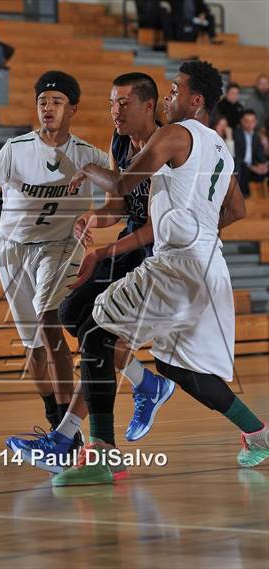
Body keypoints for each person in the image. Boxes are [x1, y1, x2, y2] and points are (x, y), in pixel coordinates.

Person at [51, 60, 268, 485]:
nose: (169, 97)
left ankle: (101, 456)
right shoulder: (221, 147)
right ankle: (258, 434)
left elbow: (119, 186)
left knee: (96, 332)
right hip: (210, 265)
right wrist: (200, 232)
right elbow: (237, 209)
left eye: (174, 90)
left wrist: (86, 170)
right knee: (179, 368)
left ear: (196, 100)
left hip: (178, 265)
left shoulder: (173, 134)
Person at [6, 73, 176, 476]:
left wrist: (102, 249)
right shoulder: (120, 143)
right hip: (128, 246)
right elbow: (119, 204)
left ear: (148, 106)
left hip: (158, 256)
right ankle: (144, 382)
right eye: (111, 103)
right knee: (71, 312)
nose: (115, 111)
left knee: (95, 338)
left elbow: (155, 227)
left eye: (123, 104)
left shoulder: (168, 148)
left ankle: (70, 438)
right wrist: (94, 217)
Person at [0, 70, 109, 441]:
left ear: (72, 108)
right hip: (12, 249)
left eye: (57, 102)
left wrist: (96, 218)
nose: (48, 108)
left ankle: (66, 433)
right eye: (43, 102)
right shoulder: (15, 150)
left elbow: (124, 190)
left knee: (50, 325)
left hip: (59, 248)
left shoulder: (90, 155)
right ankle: (53, 410)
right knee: (35, 350)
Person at [234, 109, 268, 197]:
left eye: (252, 121)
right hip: (241, 166)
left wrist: (264, 165)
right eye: (247, 121)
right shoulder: (236, 134)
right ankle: (243, 198)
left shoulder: (256, 137)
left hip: (253, 167)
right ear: (241, 121)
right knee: (240, 167)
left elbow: (260, 156)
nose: (250, 124)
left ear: (256, 122)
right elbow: (237, 156)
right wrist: (252, 167)